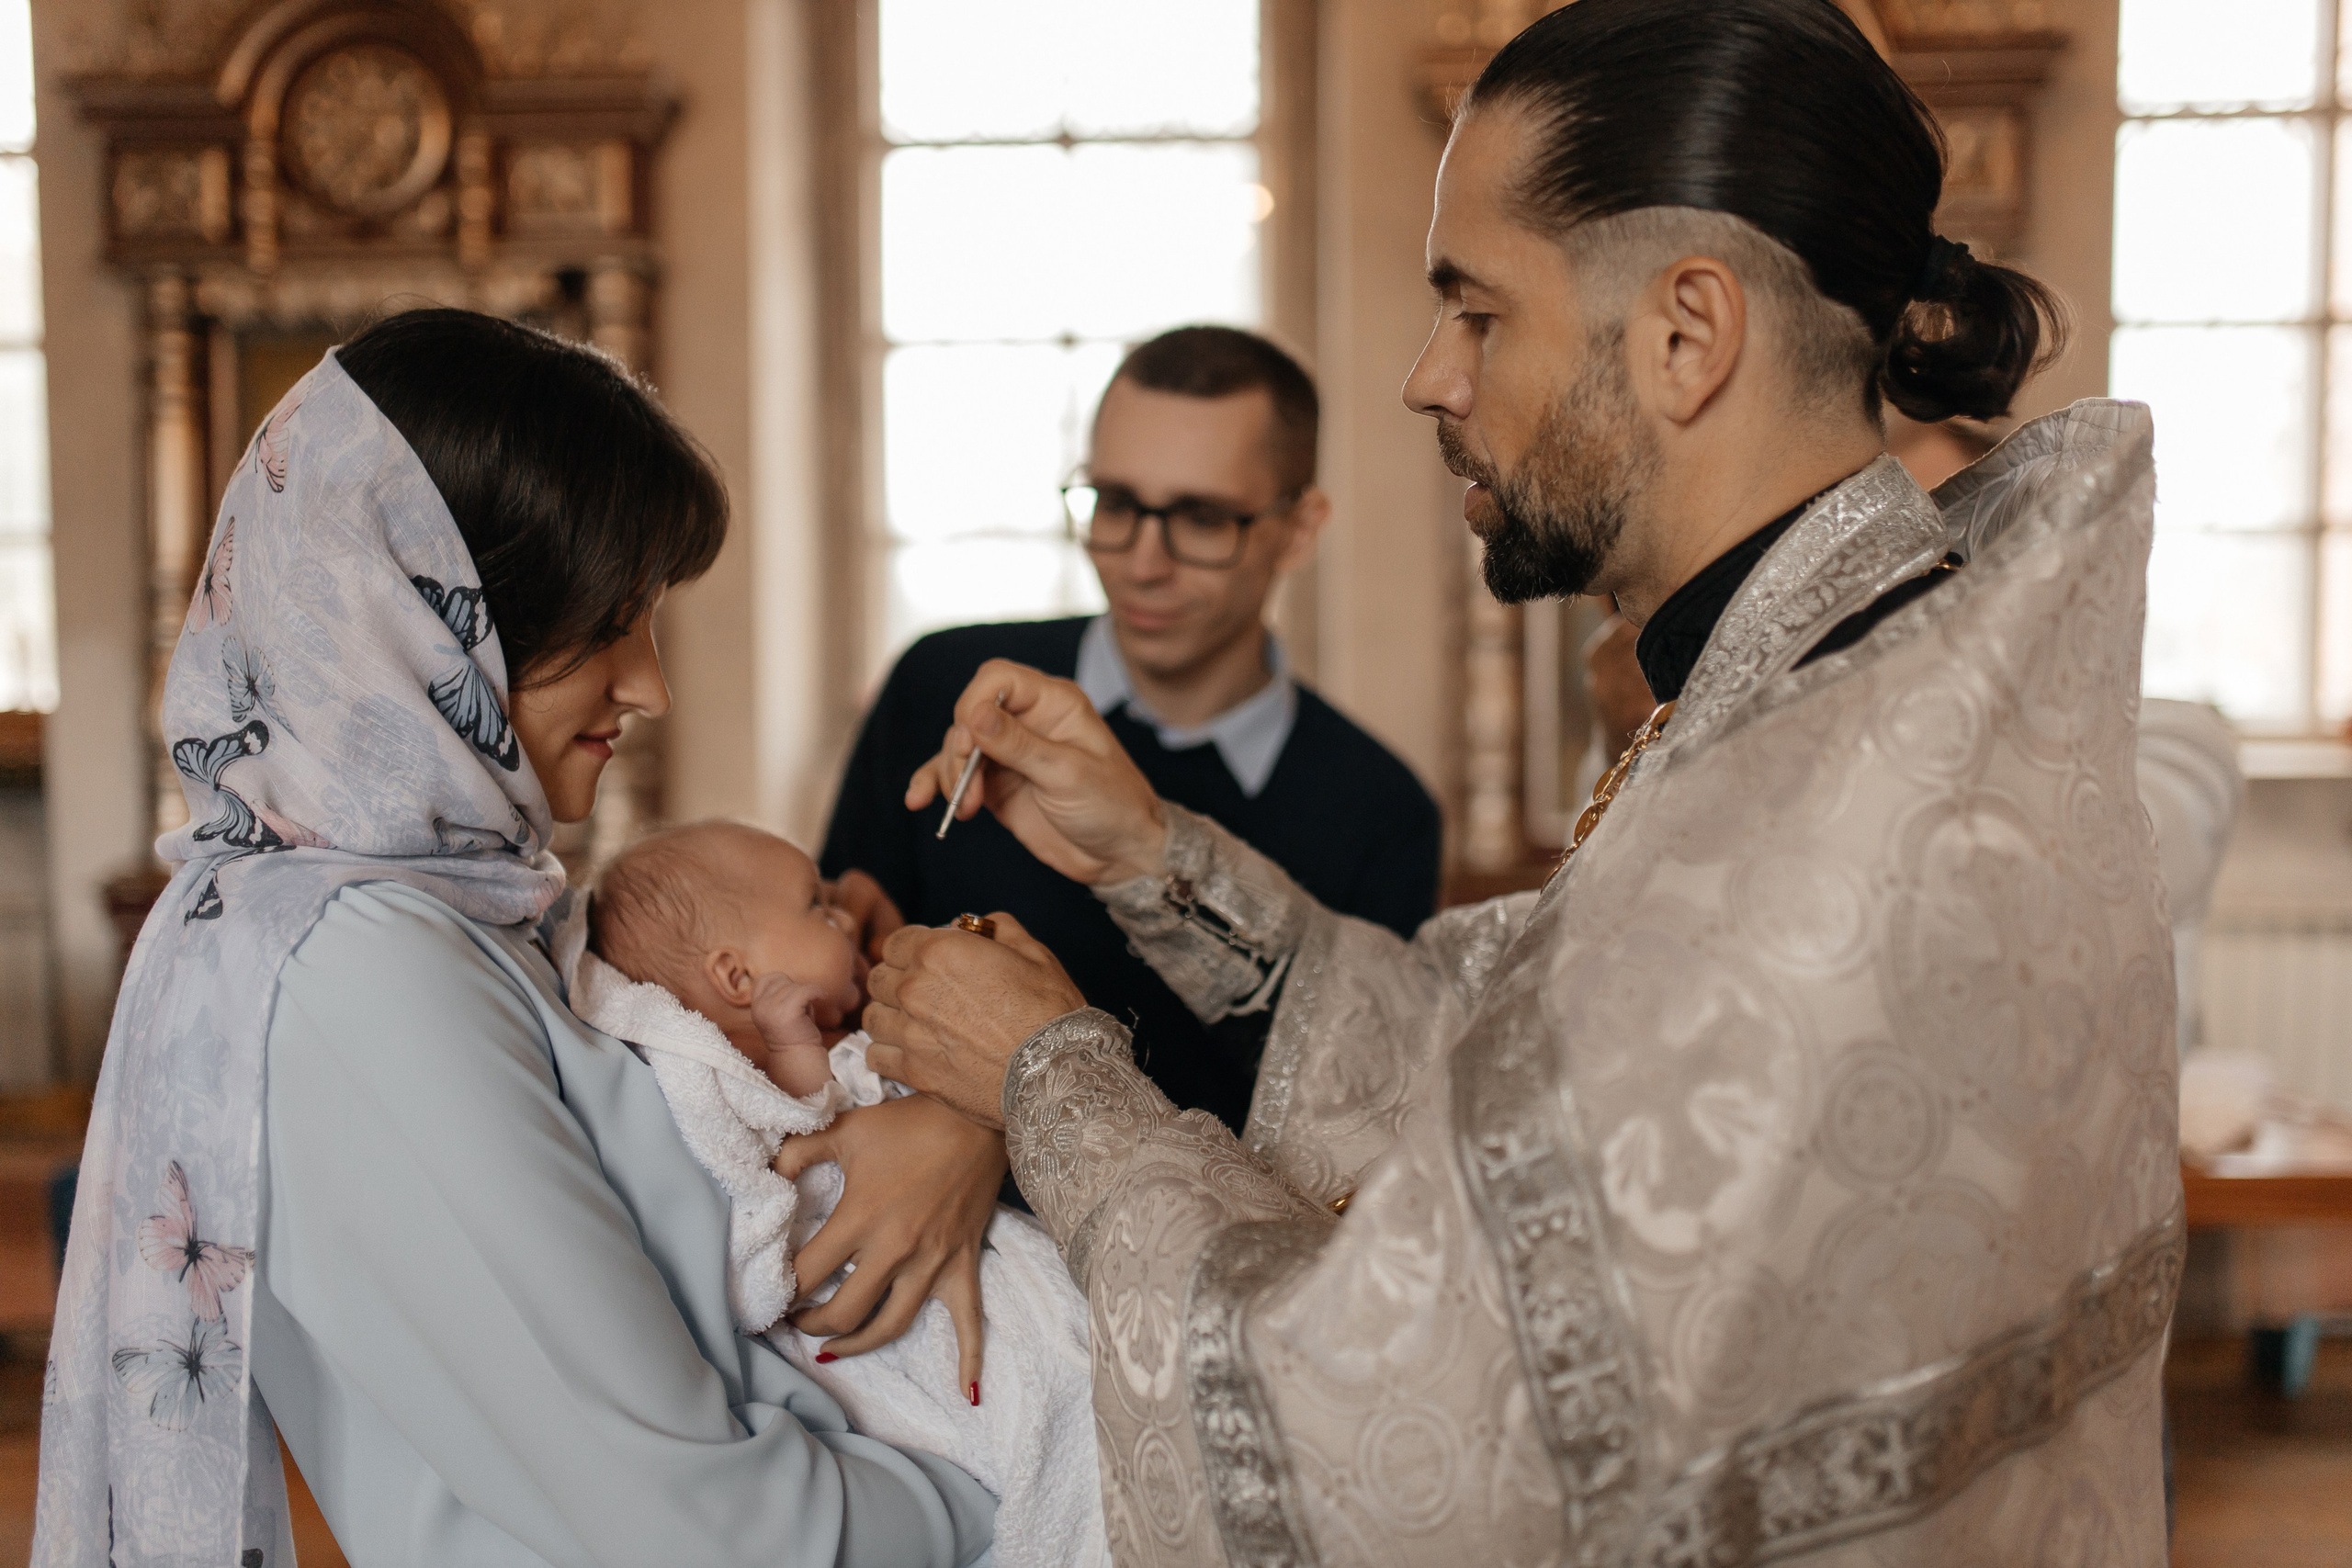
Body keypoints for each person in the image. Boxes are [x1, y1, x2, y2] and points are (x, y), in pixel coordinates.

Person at [857, 2, 2182, 1562]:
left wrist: (1051, 1073)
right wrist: (1156, 857)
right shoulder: (1852, 688)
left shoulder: (1822, 820)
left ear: (1689, 335)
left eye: (1476, 311)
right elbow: (1524, 1086)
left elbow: (1391, 1438)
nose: (1429, 377)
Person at [38, 310, 1003, 1567]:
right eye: (607, 621)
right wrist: (1056, 1485)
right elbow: (701, 1526)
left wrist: (954, 1126)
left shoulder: (437, 909)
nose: (649, 685)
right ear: (422, 618)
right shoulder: (360, 967)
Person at [821, 325, 1441, 1136]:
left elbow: (1347, 1125)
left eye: (1203, 518)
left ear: (1299, 528)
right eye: (1115, 504)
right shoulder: (943, 685)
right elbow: (820, 999)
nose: (1143, 562)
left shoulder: (1382, 810)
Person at [578, 822, 1109, 1568]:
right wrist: (798, 1051)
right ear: (738, 979)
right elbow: (794, 1152)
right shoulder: (733, 1086)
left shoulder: (848, 1037)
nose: (844, 917)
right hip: (892, 1320)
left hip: (991, 1254)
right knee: (1068, 1415)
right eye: (816, 907)